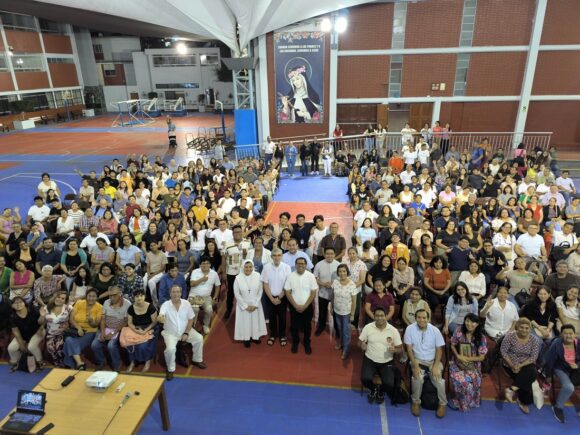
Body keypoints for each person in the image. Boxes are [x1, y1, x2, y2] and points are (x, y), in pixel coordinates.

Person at [404, 309, 447, 418]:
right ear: (415, 318)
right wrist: (415, 365)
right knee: (417, 378)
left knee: (439, 380)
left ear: (428, 319)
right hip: (417, 360)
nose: (421, 320)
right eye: (419, 317)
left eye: (424, 318)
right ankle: (416, 402)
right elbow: (409, 349)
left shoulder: (435, 330)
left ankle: (442, 404)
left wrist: (436, 366)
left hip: (433, 361)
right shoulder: (409, 329)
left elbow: (439, 350)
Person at [159, 285, 207, 381]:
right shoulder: (165, 305)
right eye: (173, 292)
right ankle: (170, 369)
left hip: (185, 330)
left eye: (178, 292)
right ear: (170, 294)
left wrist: (186, 333)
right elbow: (161, 316)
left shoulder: (186, 303)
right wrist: (160, 318)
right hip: (170, 333)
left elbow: (190, 319)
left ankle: (197, 360)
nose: (176, 294)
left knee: (199, 338)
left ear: (181, 293)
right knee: (170, 349)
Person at [359, 306, 403, 404]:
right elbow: (359, 342)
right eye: (377, 315)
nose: (379, 318)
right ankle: (374, 389)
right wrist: (362, 345)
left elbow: (400, 348)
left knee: (389, 384)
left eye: (382, 315)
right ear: (374, 316)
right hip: (370, 359)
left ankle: (381, 391)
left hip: (387, 361)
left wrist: (395, 349)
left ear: (386, 316)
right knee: (365, 379)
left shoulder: (393, 330)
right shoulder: (368, 327)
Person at [500, 318, 542, 414]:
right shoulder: (510, 336)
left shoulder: (535, 340)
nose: (524, 330)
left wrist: (520, 365)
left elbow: (533, 357)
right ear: (517, 327)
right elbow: (503, 352)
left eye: (527, 328)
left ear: (530, 329)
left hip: (526, 363)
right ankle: (524, 402)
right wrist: (512, 365)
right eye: (521, 327)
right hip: (509, 363)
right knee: (528, 378)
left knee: (532, 372)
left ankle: (511, 390)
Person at [448, 313, 488, 412]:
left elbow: (482, 357)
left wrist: (467, 359)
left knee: (473, 381)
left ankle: (471, 401)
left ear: (477, 324)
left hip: (474, 364)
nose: (469, 324)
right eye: (467, 321)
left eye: (473, 322)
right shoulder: (459, 331)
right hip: (457, 362)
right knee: (463, 382)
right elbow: (452, 345)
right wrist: (458, 356)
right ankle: (461, 401)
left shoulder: (481, 337)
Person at [543, 324, 579, 423]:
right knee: (569, 387)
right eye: (565, 333)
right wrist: (548, 376)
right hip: (560, 368)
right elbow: (549, 361)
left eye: (571, 333)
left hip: (575, 368)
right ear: (561, 335)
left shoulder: (579, 343)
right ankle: (558, 407)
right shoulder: (557, 345)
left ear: (574, 334)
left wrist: (577, 365)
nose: (568, 336)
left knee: (572, 385)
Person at [91, 286, 131, 371]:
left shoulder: (127, 304)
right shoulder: (106, 302)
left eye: (114, 295)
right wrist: (102, 332)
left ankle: (117, 365)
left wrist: (113, 333)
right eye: (110, 295)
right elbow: (103, 319)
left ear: (120, 294)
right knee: (94, 345)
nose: (111, 298)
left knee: (111, 345)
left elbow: (125, 322)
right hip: (106, 327)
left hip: (118, 329)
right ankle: (102, 361)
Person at [284, 257, 318, 355]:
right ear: (295, 265)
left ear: (306, 265)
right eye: (298, 263)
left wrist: (305, 306)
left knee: (307, 326)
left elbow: (313, 292)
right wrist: (295, 305)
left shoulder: (311, 276)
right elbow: (287, 291)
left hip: (307, 307)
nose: (300, 265)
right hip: (294, 307)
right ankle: (295, 343)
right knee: (294, 326)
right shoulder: (290, 276)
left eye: (302, 263)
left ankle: (307, 343)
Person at [63, 288, 103, 370]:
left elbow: (96, 325)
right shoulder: (79, 303)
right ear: (86, 296)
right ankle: (79, 363)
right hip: (76, 330)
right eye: (89, 296)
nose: (91, 298)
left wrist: (91, 321)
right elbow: (71, 319)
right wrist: (78, 328)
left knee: (68, 341)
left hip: (90, 331)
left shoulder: (100, 307)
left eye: (94, 296)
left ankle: (70, 364)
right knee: (69, 340)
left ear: (97, 297)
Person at [261, 248, 291, 347]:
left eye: (279, 255)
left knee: (282, 317)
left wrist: (279, 298)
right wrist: (271, 298)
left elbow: (287, 284)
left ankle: (282, 335)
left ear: (282, 256)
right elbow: (265, 284)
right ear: (271, 257)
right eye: (274, 255)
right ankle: (273, 334)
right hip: (270, 297)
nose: (277, 257)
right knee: (272, 317)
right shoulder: (266, 267)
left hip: (282, 297)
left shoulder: (287, 267)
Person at [234, 260, 267, 347]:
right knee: (245, 322)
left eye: (250, 267)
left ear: (253, 267)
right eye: (246, 267)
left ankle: (255, 336)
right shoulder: (238, 278)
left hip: (255, 303)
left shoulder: (258, 276)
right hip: (243, 304)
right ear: (243, 267)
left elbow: (260, 290)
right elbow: (236, 293)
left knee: (255, 321)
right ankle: (246, 338)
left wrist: (256, 304)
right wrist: (245, 306)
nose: (248, 269)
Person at [124, 289, 158, 373]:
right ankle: (132, 362)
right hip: (136, 328)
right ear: (133, 298)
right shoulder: (131, 308)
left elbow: (154, 322)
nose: (139, 298)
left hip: (150, 328)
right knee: (129, 343)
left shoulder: (151, 307)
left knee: (143, 346)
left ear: (144, 296)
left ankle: (147, 361)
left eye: (141, 296)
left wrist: (145, 330)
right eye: (137, 296)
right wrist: (136, 331)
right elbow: (130, 323)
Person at [8, 296, 45, 372]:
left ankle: (40, 362)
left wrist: (42, 316)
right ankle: (16, 362)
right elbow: (16, 332)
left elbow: (42, 322)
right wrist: (21, 344)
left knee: (31, 346)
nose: (18, 304)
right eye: (15, 303)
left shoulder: (33, 309)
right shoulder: (12, 316)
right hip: (23, 335)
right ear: (12, 306)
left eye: (20, 302)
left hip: (38, 331)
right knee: (11, 348)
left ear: (24, 303)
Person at [189, 256, 220, 335]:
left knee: (209, 309)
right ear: (200, 265)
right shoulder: (195, 272)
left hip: (206, 296)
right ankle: (192, 326)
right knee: (195, 309)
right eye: (203, 263)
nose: (205, 265)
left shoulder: (214, 273)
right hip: (195, 296)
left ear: (210, 264)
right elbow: (192, 284)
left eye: (207, 263)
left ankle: (205, 325)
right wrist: (202, 279)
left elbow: (217, 285)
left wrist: (215, 297)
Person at [332, 264, 358, 359]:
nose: (342, 273)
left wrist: (352, 314)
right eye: (340, 271)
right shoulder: (335, 282)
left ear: (347, 272)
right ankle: (342, 343)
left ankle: (346, 350)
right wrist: (332, 307)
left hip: (346, 312)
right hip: (337, 310)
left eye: (344, 271)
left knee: (346, 331)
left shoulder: (352, 284)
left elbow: (354, 301)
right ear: (338, 273)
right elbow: (333, 296)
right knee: (339, 329)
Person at [313, 247, 339, 336]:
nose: (329, 255)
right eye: (327, 253)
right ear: (324, 254)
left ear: (334, 254)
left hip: (335, 294)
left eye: (331, 253)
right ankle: (321, 327)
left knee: (336, 312)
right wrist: (323, 284)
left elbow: (342, 278)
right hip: (322, 293)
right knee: (322, 312)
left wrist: (332, 284)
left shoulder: (338, 265)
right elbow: (315, 278)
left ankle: (337, 329)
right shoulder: (319, 265)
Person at [42, 291, 71, 367]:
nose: (59, 299)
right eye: (58, 297)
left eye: (62, 298)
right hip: (50, 333)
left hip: (63, 332)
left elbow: (73, 319)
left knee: (59, 347)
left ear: (65, 301)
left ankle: (62, 362)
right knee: (50, 348)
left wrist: (68, 325)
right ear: (55, 297)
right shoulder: (46, 307)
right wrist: (42, 316)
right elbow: (40, 322)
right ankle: (56, 362)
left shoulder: (68, 308)